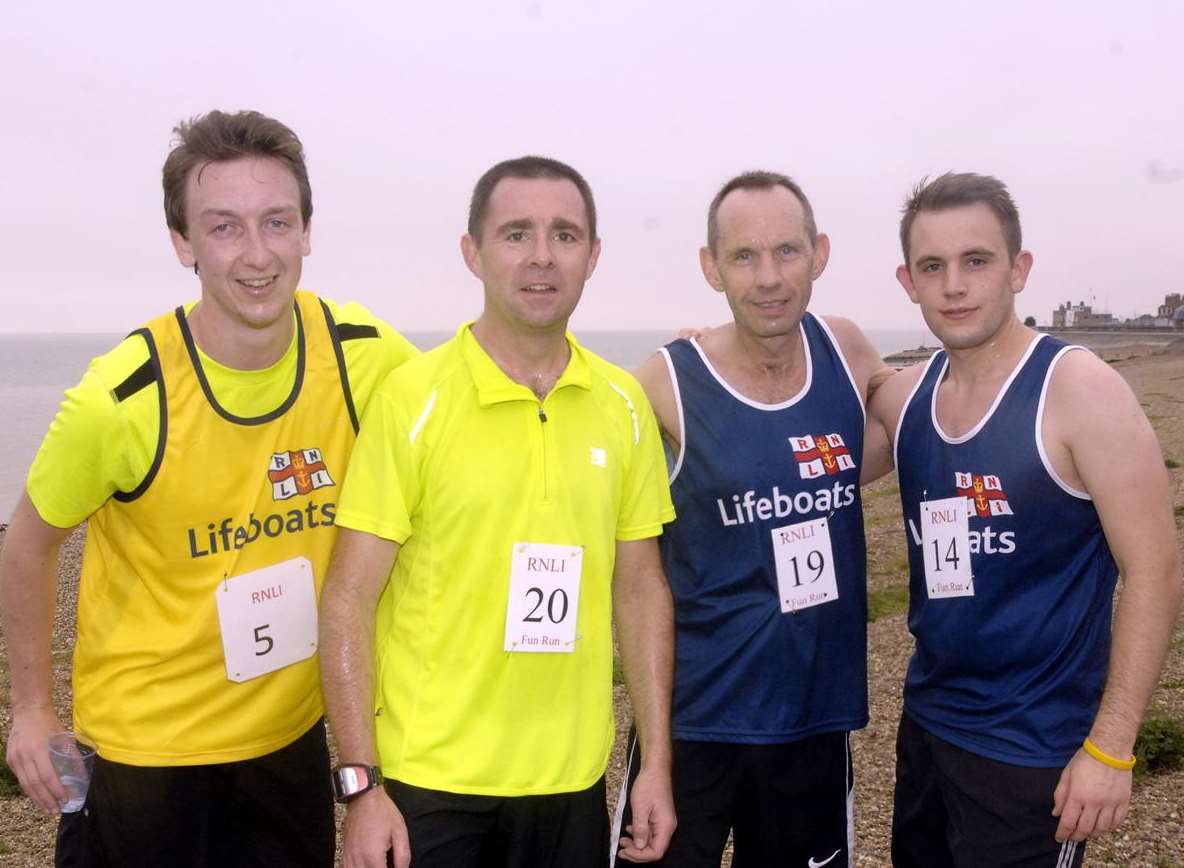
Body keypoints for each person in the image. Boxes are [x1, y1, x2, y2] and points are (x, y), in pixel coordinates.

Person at [0, 109, 419, 867]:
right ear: (183, 243)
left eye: (277, 222)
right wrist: (32, 711)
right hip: (142, 755)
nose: (256, 254)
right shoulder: (123, 398)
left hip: (286, 744)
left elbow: (469, 384)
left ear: (307, 231)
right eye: (224, 227)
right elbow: (27, 546)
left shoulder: (362, 355)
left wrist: (678, 366)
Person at [318, 155, 678, 868]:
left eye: (565, 235)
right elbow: (348, 598)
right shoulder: (412, 400)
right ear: (472, 253)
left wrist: (656, 765)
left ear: (593, 256)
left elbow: (640, 590)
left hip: (571, 781)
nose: (542, 256)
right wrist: (362, 789)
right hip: (430, 783)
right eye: (516, 234)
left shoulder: (623, 406)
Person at [864, 172, 1183, 867]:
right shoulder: (910, 398)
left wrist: (1113, 746)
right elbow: (824, 423)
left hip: (1035, 750)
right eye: (932, 267)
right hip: (927, 726)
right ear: (907, 281)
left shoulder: (1079, 392)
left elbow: (1155, 571)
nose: (954, 285)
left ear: (1018, 268)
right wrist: (718, 349)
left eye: (976, 261)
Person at [617, 171, 886, 867]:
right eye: (744, 257)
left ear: (819, 253)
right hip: (695, 725)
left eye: (787, 252)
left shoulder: (847, 352)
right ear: (712, 268)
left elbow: (930, 421)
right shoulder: (664, 384)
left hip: (813, 724)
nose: (769, 277)